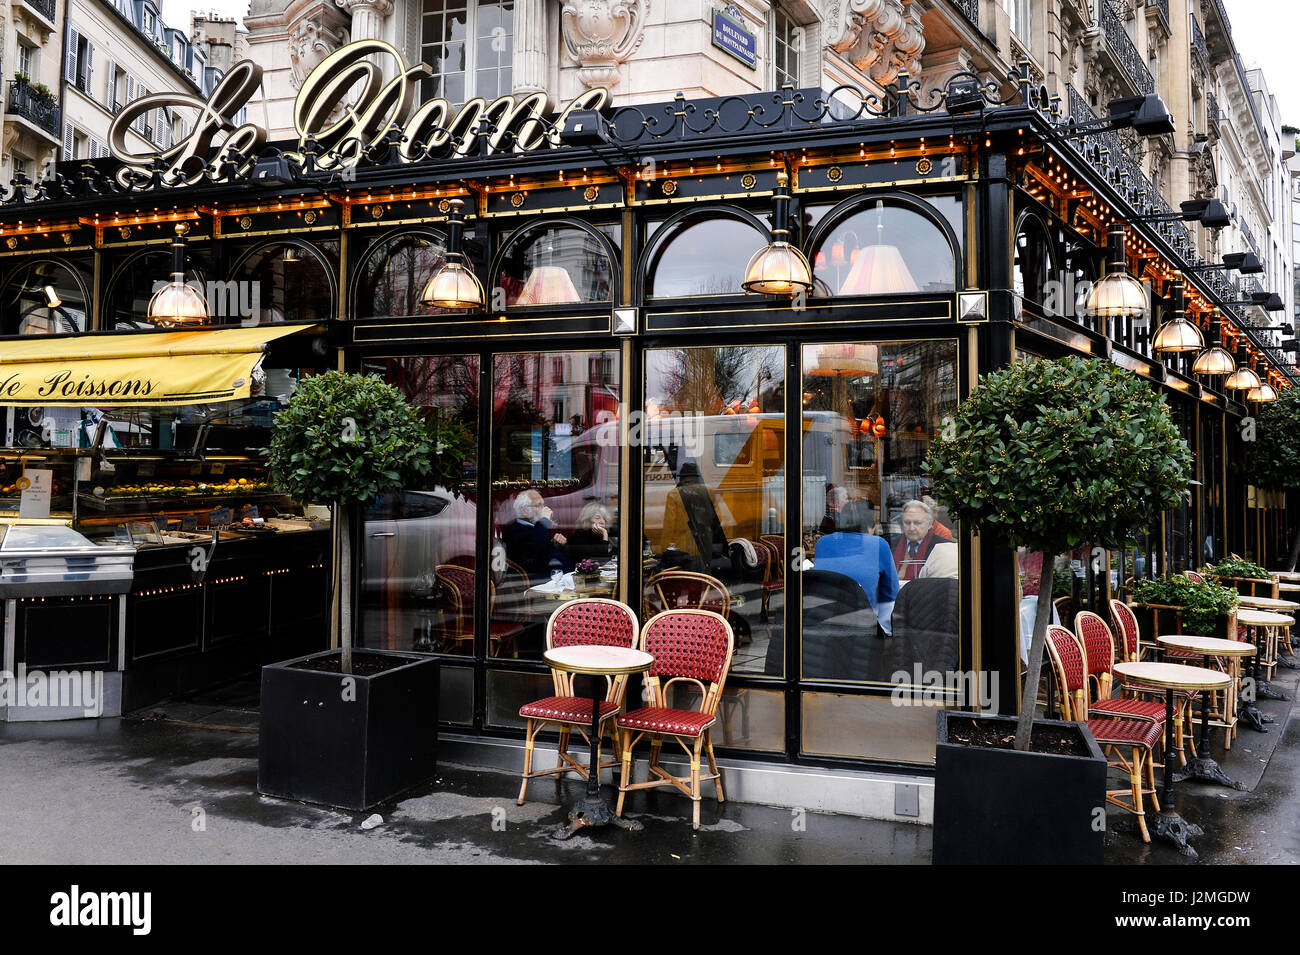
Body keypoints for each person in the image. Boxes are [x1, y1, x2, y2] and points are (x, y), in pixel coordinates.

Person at [811, 499, 899, 632]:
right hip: (862, 626)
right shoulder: (878, 544)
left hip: (823, 621)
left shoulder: (822, 542)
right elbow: (892, 593)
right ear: (870, 527)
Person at [501, 488, 571, 578]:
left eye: (543, 505)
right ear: (523, 510)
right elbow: (537, 549)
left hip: (558, 576)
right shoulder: (515, 530)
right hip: (537, 579)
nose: (544, 509)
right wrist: (544, 520)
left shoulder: (536, 527)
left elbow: (546, 549)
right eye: (538, 506)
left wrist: (559, 544)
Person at [893, 499, 942, 582]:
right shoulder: (890, 544)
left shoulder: (941, 547)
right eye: (907, 523)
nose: (911, 528)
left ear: (929, 524)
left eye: (917, 523)